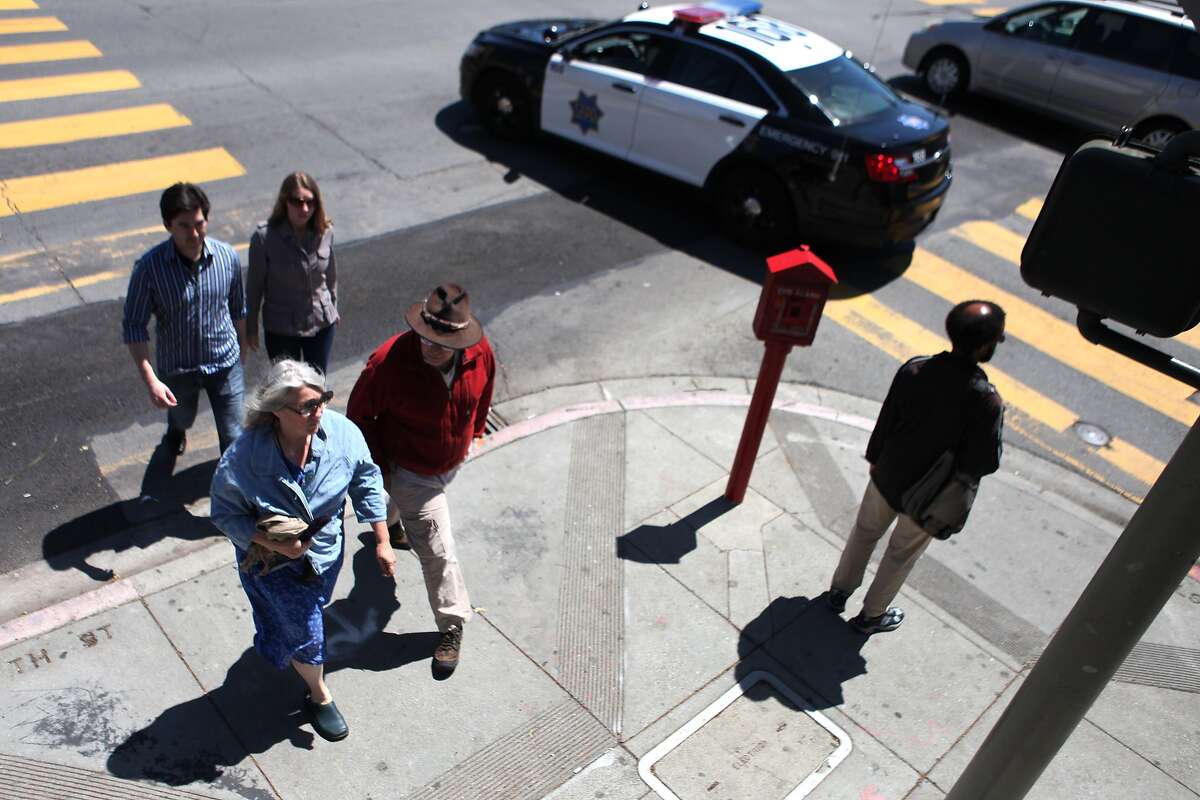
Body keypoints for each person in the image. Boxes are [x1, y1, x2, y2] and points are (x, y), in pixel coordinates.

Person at [210, 359, 395, 741]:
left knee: (306, 616)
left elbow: (366, 479)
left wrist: (382, 539)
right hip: (273, 570)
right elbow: (224, 515)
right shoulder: (243, 459)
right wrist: (271, 541)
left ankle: (282, 642)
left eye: (322, 399)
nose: (319, 411)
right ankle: (319, 695)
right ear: (276, 411)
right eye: (307, 406)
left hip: (325, 557)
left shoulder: (343, 435)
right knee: (309, 633)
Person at [828, 300, 1006, 634]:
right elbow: (984, 462)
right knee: (900, 554)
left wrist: (875, 458)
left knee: (864, 533)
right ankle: (872, 616)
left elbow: (887, 419)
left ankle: (839, 592)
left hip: (887, 474)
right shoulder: (986, 401)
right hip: (930, 496)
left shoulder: (915, 369)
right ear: (985, 346)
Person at [347, 283, 495, 677]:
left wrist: (476, 431)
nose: (429, 346)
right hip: (411, 469)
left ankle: (393, 524)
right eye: (425, 337)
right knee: (439, 550)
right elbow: (358, 418)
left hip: (450, 458)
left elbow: (484, 393)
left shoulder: (480, 354)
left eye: (441, 342)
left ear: (461, 339)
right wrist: (381, 464)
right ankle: (452, 624)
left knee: (403, 511)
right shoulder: (387, 364)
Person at [122, 182, 247, 456]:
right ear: (168, 225)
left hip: (224, 364)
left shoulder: (227, 258)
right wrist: (152, 381)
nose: (194, 233)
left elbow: (238, 309)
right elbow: (134, 326)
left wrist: (242, 354)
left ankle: (234, 492)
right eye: (184, 225)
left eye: (199, 224)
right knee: (182, 418)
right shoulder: (149, 269)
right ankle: (176, 431)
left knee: (234, 435)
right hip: (178, 370)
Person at [246, 171, 339, 374]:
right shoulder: (264, 238)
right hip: (282, 328)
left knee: (317, 387)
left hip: (320, 323)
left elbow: (330, 275)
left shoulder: (325, 231)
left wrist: (333, 305)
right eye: (297, 202)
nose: (304, 209)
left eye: (310, 202)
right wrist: (250, 327)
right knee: (288, 390)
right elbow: (254, 287)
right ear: (285, 202)